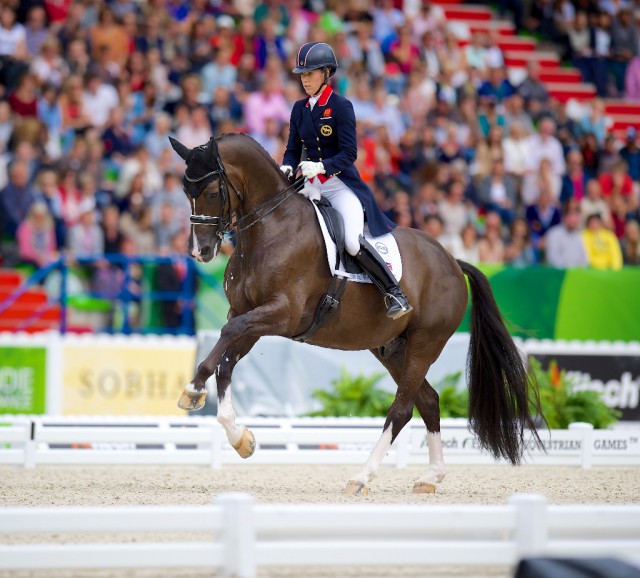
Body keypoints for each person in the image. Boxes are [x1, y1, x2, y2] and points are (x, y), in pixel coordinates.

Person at [281, 42, 411, 319]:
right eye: (302, 75)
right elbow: (293, 149)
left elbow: (349, 154)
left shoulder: (341, 106)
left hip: (339, 184)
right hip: (308, 184)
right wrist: (286, 166)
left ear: (327, 72)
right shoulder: (298, 108)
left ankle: (393, 293)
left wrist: (320, 165)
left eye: (310, 74)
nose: (305, 80)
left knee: (352, 241)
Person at [545, 201, 589, 268]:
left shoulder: (580, 236)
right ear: (564, 217)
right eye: (571, 216)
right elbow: (552, 258)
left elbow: (584, 259)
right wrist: (569, 269)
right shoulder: (554, 233)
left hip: (576, 274)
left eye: (576, 216)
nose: (573, 219)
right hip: (558, 274)